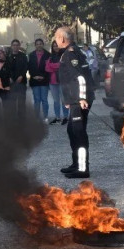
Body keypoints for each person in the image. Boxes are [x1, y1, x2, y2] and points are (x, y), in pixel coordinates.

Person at [54, 26, 95, 179]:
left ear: (62, 39)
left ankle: (83, 168)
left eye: (56, 37)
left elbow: (80, 78)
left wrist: (82, 98)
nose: (55, 40)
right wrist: (69, 100)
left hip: (80, 100)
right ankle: (76, 163)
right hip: (74, 100)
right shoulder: (72, 52)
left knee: (79, 133)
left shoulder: (70, 55)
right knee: (72, 130)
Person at [27, 38, 51, 122]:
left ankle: (45, 117)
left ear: (43, 44)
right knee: (37, 100)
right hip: (34, 80)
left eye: (40, 43)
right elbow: (30, 67)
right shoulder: (31, 55)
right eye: (37, 44)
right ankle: (36, 118)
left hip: (44, 80)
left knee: (44, 99)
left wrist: (43, 76)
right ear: (35, 45)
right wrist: (34, 76)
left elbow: (49, 67)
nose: (39, 45)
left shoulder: (48, 55)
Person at [6, 39, 29, 120]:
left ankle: (21, 119)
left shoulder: (23, 56)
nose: (15, 46)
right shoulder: (7, 56)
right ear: (11, 46)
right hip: (11, 83)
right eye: (14, 45)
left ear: (19, 46)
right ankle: (13, 119)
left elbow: (25, 67)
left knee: (21, 102)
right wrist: (9, 77)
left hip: (21, 82)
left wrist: (21, 76)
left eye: (17, 45)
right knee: (12, 101)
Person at [46, 42, 66, 124]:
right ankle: (57, 117)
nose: (55, 47)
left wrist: (53, 66)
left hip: (62, 81)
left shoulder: (64, 56)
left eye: (57, 46)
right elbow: (47, 68)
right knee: (56, 101)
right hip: (53, 82)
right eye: (54, 46)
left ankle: (66, 117)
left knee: (64, 100)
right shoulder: (50, 56)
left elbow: (64, 66)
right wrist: (57, 66)